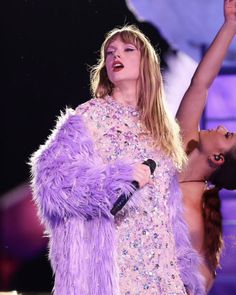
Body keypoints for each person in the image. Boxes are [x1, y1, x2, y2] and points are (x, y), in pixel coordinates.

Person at [30, 25, 205, 295]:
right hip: (115, 272)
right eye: (109, 52)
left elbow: (168, 211)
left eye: (127, 49)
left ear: (146, 62)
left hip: (162, 274)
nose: (116, 56)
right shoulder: (89, 117)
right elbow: (51, 180)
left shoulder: (161, 129)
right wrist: (116, 181)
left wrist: (182, 271)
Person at [176, 0, 236, 292]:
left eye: (227, 137)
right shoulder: (182, 144)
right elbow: (200, 84)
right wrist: (231, 24)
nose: (222, 127)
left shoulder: (192, 212)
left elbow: (198, 281)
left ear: (216, 158)